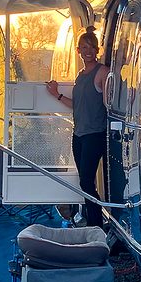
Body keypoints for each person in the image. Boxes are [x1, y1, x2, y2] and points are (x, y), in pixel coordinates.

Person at [45, 27, 109, 227]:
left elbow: (109, 104)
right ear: (78, 50)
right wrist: (56, 94)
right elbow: (77, 104)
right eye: (83, 47)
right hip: (79, 134)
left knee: (86, 182)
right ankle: (92, 220)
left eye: (91, 47)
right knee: (85, 181)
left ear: (97, 49)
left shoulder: (102, 72)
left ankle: (96, 226)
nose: (87, 51)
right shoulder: (81, 75)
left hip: (95, 134)